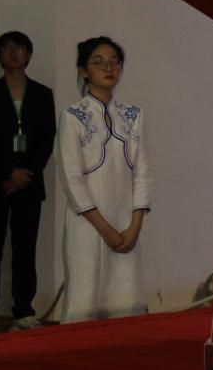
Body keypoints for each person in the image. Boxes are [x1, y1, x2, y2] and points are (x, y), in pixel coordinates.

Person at [57, 36, 152, 322]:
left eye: (114, 62)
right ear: (83, 70)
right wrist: (105, 229)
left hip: (126, 223)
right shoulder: (73, 116)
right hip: (88, 223)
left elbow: (143, 172)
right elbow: (72, 180)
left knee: (126, 298)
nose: (108, 68)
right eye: (99, 62)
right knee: (85, 297)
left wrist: (135, 226)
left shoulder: (133, 115)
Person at [0, 31, 56, 336]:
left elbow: (46, 138)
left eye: (20, 48)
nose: (14, 53)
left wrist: (26, 171)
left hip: (29, 183)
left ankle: (24, 311)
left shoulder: (42, 94)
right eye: (6, 49)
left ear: (29, 55)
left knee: (25, 248)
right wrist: (10, 171)